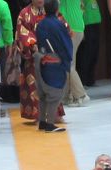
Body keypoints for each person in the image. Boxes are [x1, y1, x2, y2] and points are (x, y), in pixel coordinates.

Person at [34, 0, 73, 133]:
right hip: (55, 61)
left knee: (43, 94)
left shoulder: (40, 24)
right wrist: (67, 61)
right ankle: (50, 124)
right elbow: (66, 44)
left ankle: (42, 122)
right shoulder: (58, 24)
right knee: (54, 93)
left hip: (41, 59)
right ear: (57, 9)